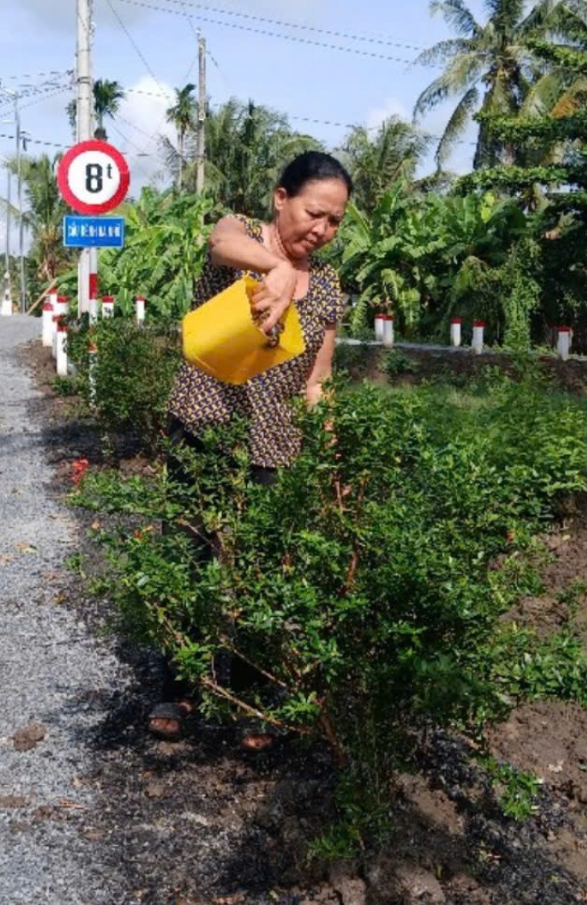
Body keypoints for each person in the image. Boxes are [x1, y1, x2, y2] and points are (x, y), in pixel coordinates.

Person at [149, 150, 352, 742]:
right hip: (205, 424)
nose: (321, 230)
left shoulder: (331, 286)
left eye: (335, 222)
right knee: (189, 555)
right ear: (281, 198)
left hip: (276, 443)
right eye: (314, 213)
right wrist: (276, 269)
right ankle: (179, 689)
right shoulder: (237, 237)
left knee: (265, 570)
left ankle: (253, 696)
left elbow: (316, 380)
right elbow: (220, 243)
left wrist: (331, 450)